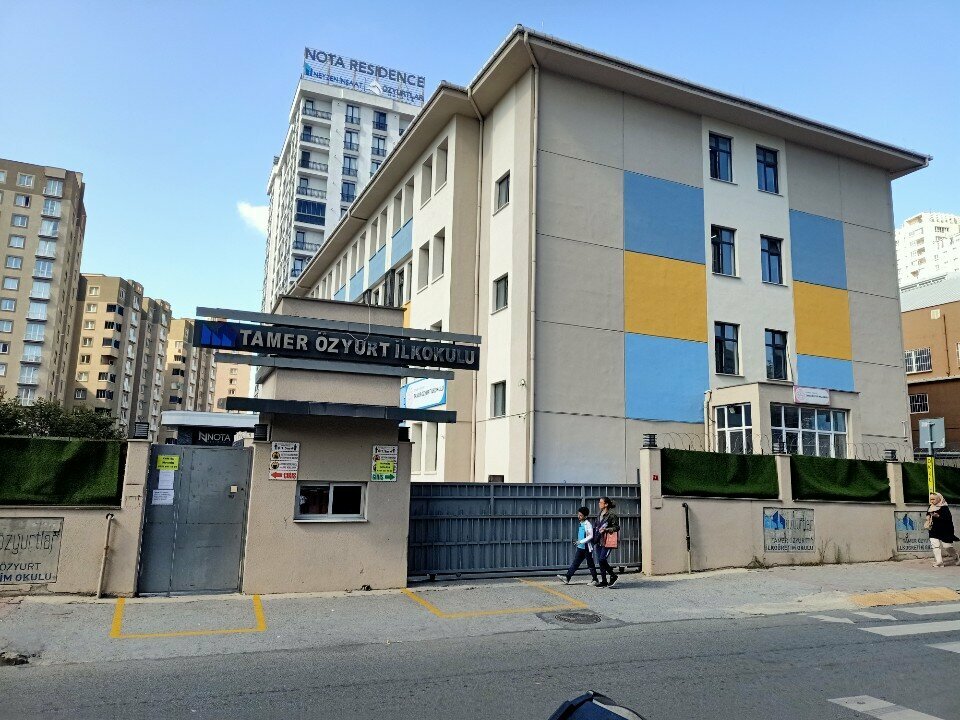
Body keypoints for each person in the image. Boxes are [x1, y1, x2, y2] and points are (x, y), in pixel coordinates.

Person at [558, 506, 599, 585]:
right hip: (580, 547)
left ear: (585, 516)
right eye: (578, 515)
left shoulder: (588, 524)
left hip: (586, 547)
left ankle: (595, 580)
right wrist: (579, 542)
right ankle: (567, 578)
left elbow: (590, 536)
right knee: (575, 563)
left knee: (590, 564)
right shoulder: (581, 523)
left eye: (581, 515)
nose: (578, 516)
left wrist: (580, 541)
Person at [594, 496, 621, 587]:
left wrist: (606, 529)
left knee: (602, 559)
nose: (599, 504)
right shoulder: (599, 514)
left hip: (607, 541)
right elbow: (597, 526)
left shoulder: (611, 515)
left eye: (600, 502)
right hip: (599, 540)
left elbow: (617, 527)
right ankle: (604, 581)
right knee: (600, 561)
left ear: (606, 504)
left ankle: (613, 575)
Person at [927, 492, 960, 567]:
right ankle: (939, 562)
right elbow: (928, 513)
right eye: (931, 499)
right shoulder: (931, 506)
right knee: (935, 546)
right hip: (933, 529)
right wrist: (928, 517)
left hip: (945, 530)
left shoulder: (944, 508)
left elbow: (948, 519)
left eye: (933, 499)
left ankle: (956, 557)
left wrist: (938, 516)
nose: (932, 501)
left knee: (947, 546)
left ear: (939, 499)